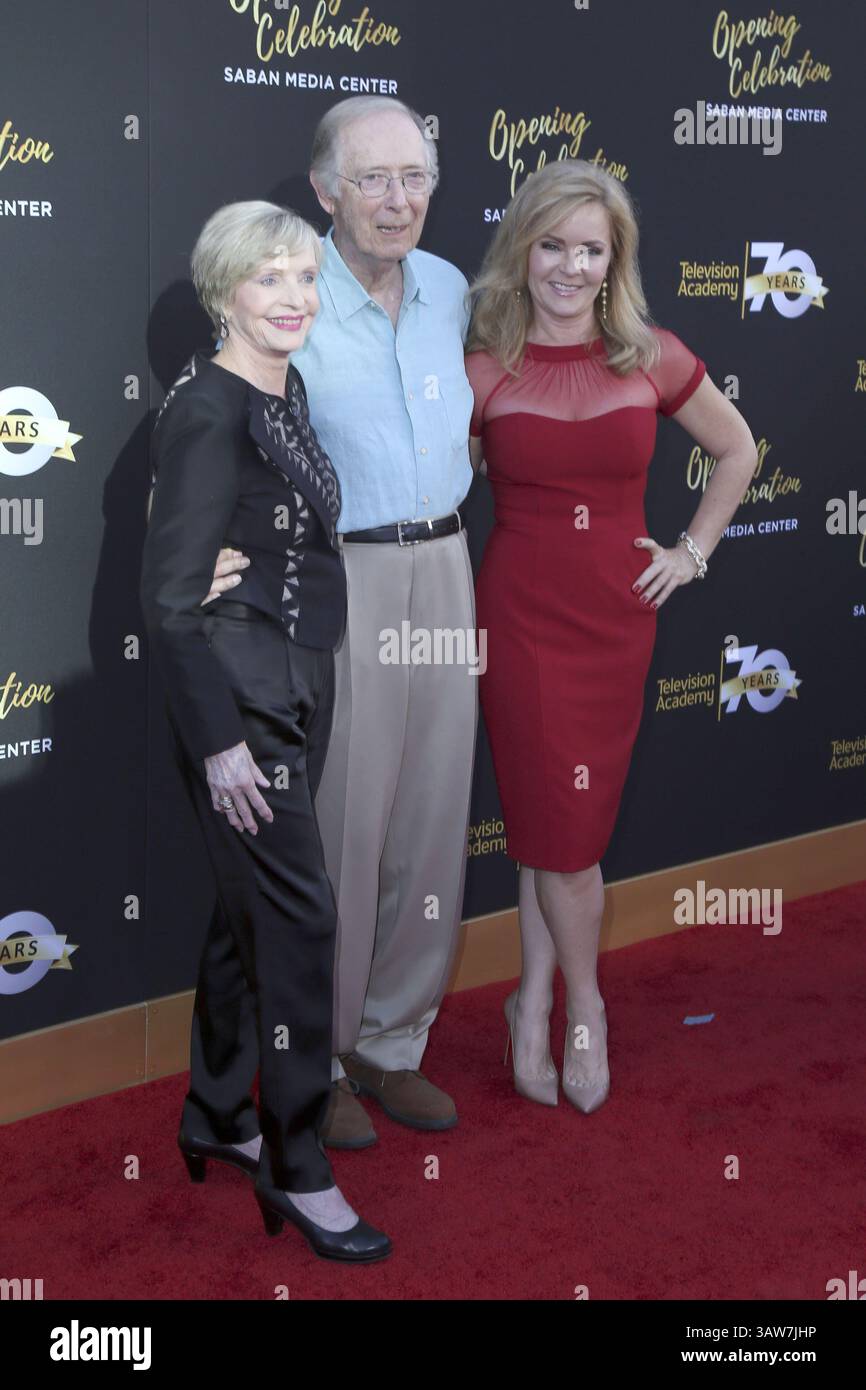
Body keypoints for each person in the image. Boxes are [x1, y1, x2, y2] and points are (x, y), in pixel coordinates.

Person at [207, 97, 478, 1149]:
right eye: (370, 178)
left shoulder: (453, 289)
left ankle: (392, 1042)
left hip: (446, 566)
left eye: (412, 176)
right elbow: (219, 439)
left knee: (429, 820)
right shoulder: (290, 297)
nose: (395, 199)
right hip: (339, 582)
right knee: (342, 827)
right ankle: (314, 1059)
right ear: (323, 191)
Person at [464, 159, 758, 1112]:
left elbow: (738, 450)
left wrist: (692, 553)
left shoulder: (649, 354)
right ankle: (583, 1006)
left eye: (591, 249)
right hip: (520, 616)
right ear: (524, 248)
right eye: (552, 244)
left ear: (613, 260)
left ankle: (537, 994)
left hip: (616, 621)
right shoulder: (483, 362)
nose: (570, 266)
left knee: (560, 832)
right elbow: (437, 480)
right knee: (563, 832)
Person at [140, 199, 390, 1261]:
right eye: (267, 278)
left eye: (302, 277)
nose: (292, 297)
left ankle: (215, 1109)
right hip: (240, 704)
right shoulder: (208, 410)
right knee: (299, 924)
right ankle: (297, 1162)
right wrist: (220, 742)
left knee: (249, 911)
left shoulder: (275, 390)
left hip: (296, 682)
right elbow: (166, 601)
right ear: (222, 293)